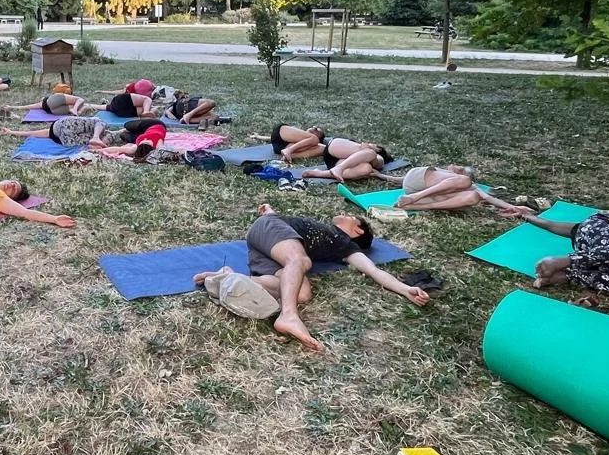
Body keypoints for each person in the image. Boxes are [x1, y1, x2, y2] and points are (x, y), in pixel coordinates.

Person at [194, 204, 430, 351]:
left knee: (303, 293)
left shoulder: (346, 246)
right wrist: (269, 213)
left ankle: (225, 277)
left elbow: (374, 271)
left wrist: (404, 289)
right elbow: (279, 226)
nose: (344, 213)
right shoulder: (315, 228)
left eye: (350, 216)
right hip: (270, 231)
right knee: (301, 261)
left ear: (358, 230)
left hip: (269, 253)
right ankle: (289, 317)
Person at [392, 165, 535, 214]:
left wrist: (515, 208)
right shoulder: (452, 175)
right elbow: (403, 179)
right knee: (465, 181)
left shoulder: (473, 188)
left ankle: (414, 205)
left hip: (422, 198)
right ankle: (415, 198)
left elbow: (489, 198)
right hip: (417, 184)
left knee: (473, 198)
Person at [299, 139, 394, 182]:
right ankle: (339, 169)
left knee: (367, 168)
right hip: (335, 150)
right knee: (370, 155)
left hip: (336, 164)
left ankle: (318, 173)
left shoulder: (378, 156)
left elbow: (376, 160)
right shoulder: (359, 148)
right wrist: (364, 149)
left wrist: (369, 149)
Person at [2, 116, 102, 148]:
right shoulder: (51, 132)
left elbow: (32, 132)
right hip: (65, 127)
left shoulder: (51, 131)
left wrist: (11, 132)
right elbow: (32, 132)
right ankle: (96, 137)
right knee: (99, 122)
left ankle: (96, 138)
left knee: (98, 123)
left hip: (64, 124)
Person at [94, 117, 168, 160]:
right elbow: (167, 152)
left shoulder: (136, 147)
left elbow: (117, 149)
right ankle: (126, 129)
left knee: (123, 136)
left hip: (143, 134)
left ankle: (123, 131)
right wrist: (97, 150)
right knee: (127, 125)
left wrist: (97, 150)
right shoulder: (158, 144)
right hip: (155, 124)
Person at [8, 91, 97, 117]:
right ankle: (76, 110)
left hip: (52, 110)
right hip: (54, 109)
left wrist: (13, 107)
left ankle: (77, 109)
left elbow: (28, 106)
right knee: (80, 100)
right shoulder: (48, 99)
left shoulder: (42, 103)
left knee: (80, 103)